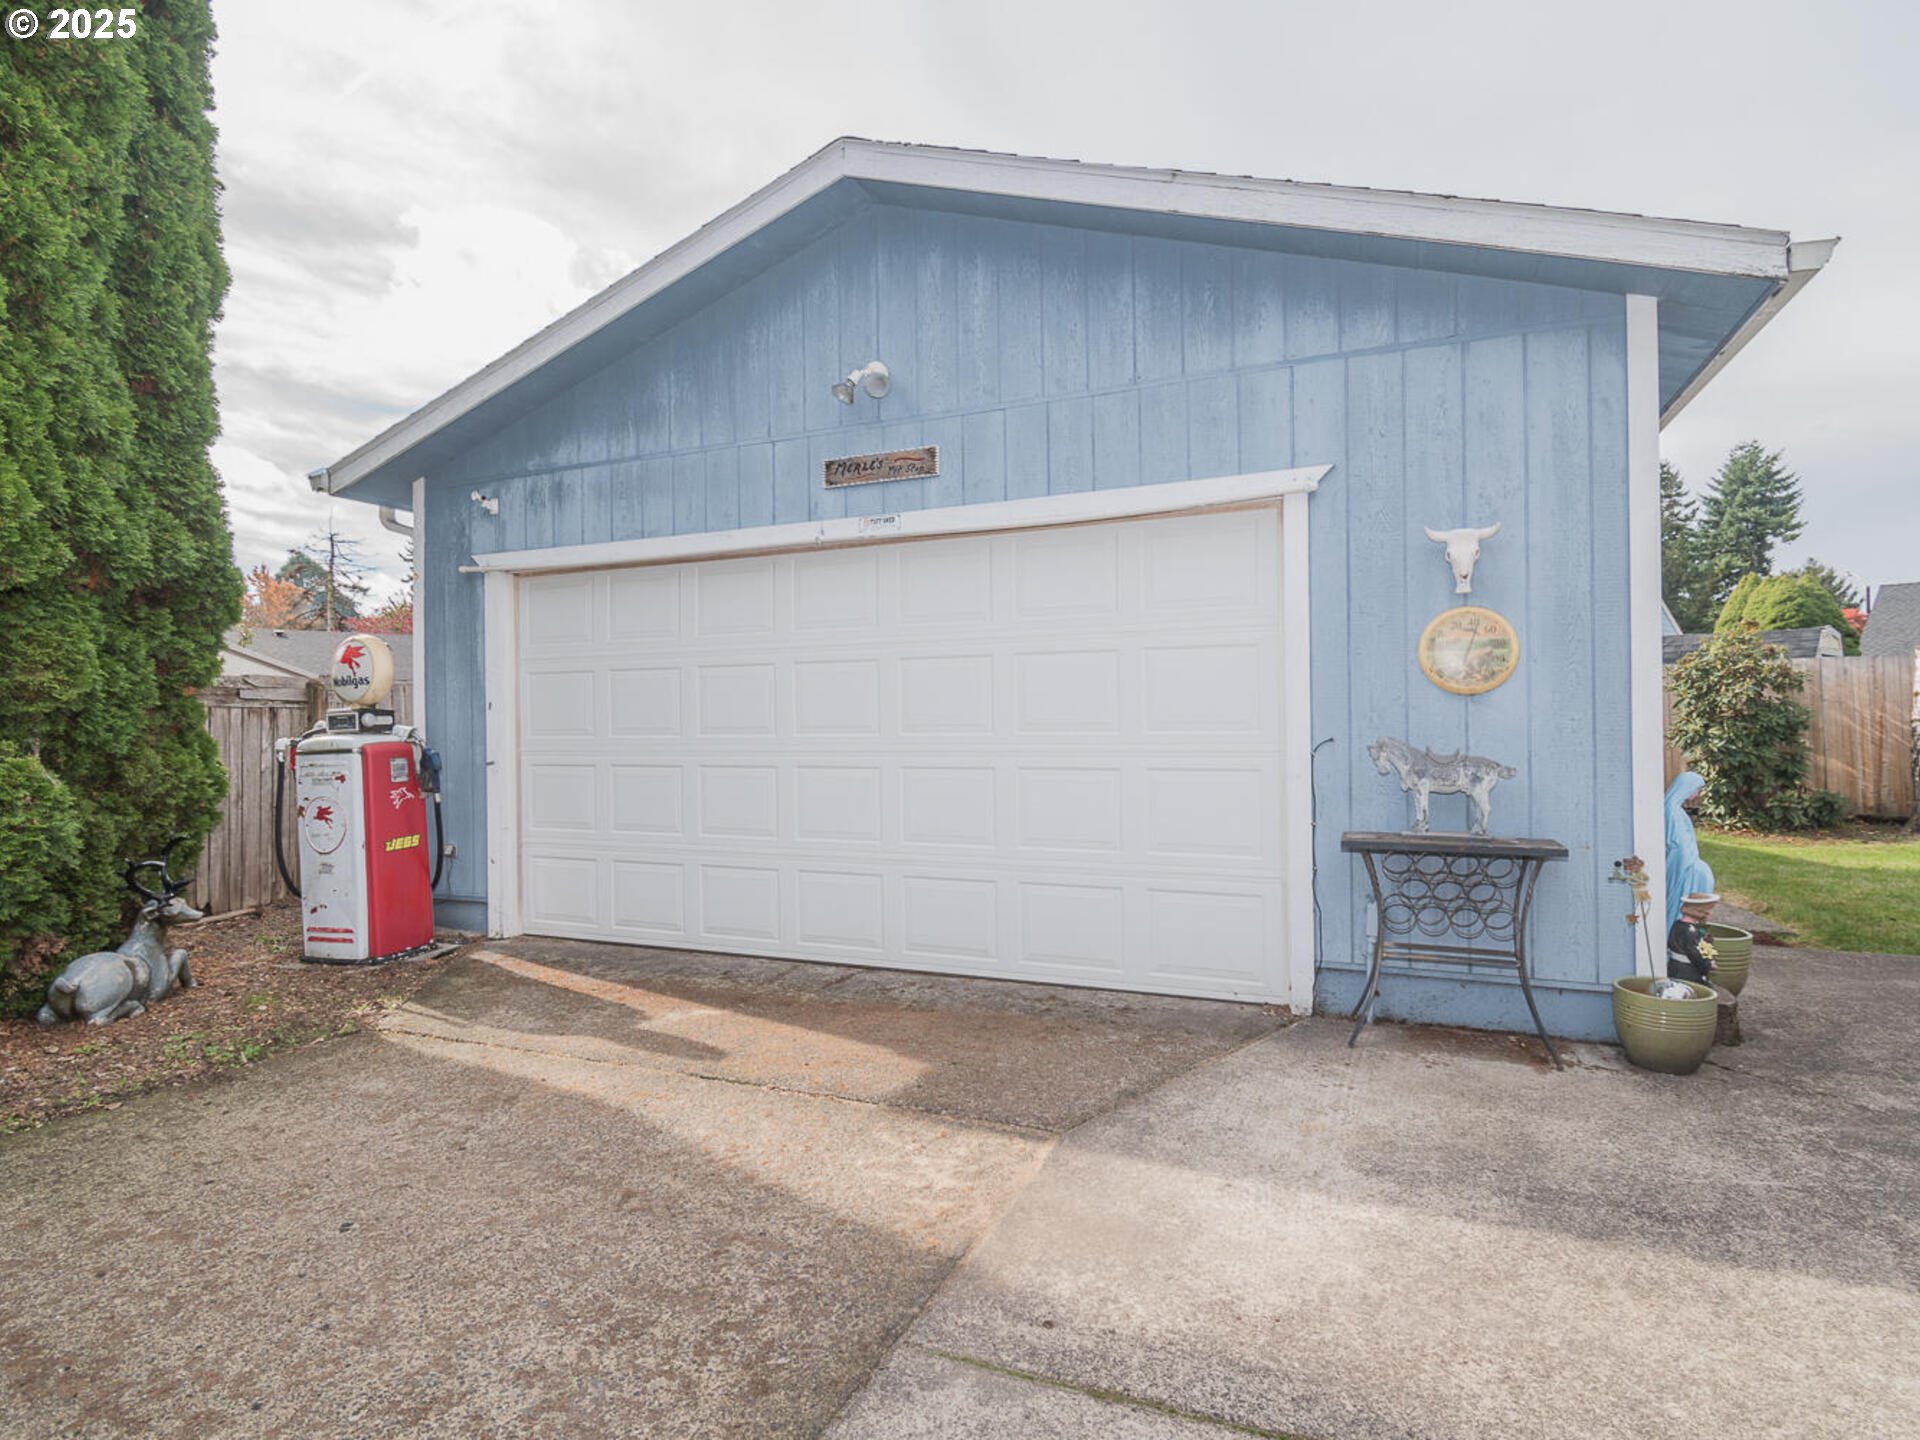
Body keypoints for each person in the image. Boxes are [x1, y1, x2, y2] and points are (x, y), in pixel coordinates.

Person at [1664, 772, 1715, 932]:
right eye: (1697, 790)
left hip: (1686, 860)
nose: (1697, 794)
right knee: (1697, 878)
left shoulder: (1674, 809)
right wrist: (1691, 865)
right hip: (1683, 865)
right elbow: (1679, 844)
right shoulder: (1672, 811)